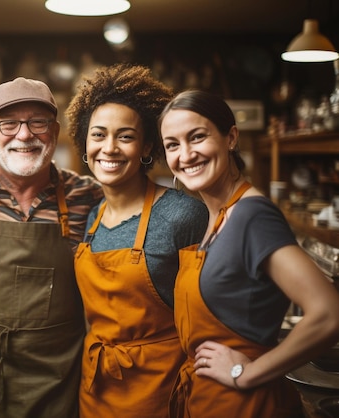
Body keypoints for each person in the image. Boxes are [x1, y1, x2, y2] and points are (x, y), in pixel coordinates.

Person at [158, 89, 339, 418]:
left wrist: (246, 374)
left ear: (231, 138)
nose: (185, 155)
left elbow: (328, 314)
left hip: (245, 406)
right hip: (207, 401)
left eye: (197, 137)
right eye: (172, 144)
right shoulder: (217, 212)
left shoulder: (252, 215)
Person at [0, 77, 103, 417]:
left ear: (56, 130)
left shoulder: (89, 196)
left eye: (38, 122)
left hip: (58, 390)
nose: (24, 134)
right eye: (9, 124)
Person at [64, 63, 208, 417]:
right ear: (84, 142)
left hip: (161, 391)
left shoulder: (183, 215)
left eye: (125, 136)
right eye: (98, 135)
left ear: (146, 147)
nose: (109, 148)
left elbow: (214, 312)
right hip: (96, 390)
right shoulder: (91, 217)